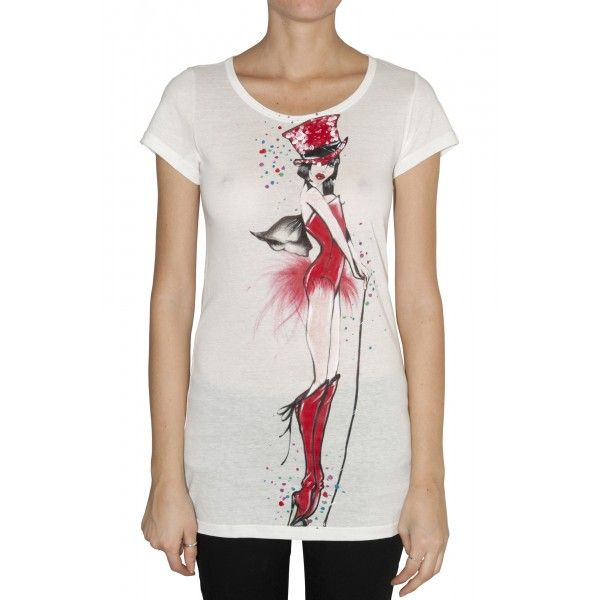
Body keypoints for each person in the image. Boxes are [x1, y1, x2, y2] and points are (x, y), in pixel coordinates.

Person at [139, 1, 458, 598]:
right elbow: (172, 297)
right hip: (225, 450)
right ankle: (308, 468)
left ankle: (315, 470)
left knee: (327, 378)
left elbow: (420, 301)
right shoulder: (195, 98)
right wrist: (165, 474)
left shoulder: (405, 99)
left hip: (373, 467)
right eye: (318, 161)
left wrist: (429, 483)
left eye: (327, 160)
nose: (323, 168)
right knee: (322, 377)